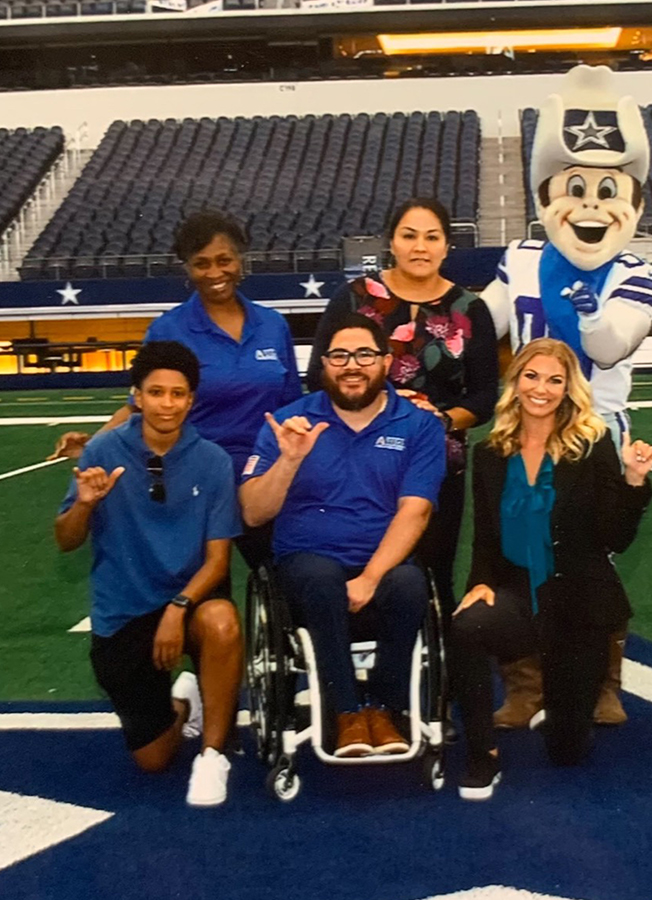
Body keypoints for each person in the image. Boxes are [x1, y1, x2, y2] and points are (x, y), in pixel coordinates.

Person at [481, 67, 652, 730]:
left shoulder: (641, 271)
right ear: (545, 193)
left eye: (607, 189)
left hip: (596, 434)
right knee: (517, 554)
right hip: (524, 428)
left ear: (634, 200)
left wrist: (586, 312)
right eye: (575, 187)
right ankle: (526, 684)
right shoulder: (523, 257)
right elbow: (479, 327)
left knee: (593, 562)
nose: (590, 205)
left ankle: (599, 681)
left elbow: (612, 344)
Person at [451, 339, 652, 799]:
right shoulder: (489, 453)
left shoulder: (592, 444)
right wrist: (480, 585)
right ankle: (481, 755)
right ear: (516, 381)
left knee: (568, 750)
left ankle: (565, 707)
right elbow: (487, 537)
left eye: (555, 380)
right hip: (517, 595)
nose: (542, 389)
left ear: (570, 388)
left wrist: (633, 482)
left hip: (578, 601)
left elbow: (616, 539)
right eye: (532, 376)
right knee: (466, 626)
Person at [240, 313, 446, 758]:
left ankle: (387, 711)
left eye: (365, 355)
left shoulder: (419, 425)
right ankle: (347, 714)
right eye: (339, 355)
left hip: (382, 563)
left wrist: (371, 577)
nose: (352, 365)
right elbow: (254, 513)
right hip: (308, 564)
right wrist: (289, 461)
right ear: (322, 364)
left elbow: (416, 512)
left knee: (409, 585)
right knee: (318, 579)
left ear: (386, 362)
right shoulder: (289, 422)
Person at [49, 210, 303, 570]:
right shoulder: (169, 329)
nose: (215, 273)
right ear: (186, 268)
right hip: (196, 474)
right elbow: (142, 407)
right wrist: (93, 445)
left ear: (241, 260)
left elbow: (293, 405)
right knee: (198, 586)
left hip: (262, 474)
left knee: (288, 572)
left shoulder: (273, 325)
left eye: (224, 260)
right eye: (201, 264)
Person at [54, 341, 244, 806]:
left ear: (190, 400)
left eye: (178, 394)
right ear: (136, 396)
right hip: (125, 610)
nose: (167, 403)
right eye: (155, 392)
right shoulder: (101, 449)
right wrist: (84, 504)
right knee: (154, 760)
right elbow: (66, 539)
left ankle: (213, 756)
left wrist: (178, 609)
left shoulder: (214, 461)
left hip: (189, 601)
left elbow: (219, 559)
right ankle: (183, 701)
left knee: (221, 621)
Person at [306, 198, 498, 624]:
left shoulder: (470, 309)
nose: (420, 247)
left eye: (432, 237)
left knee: (434, 574)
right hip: (358, 460)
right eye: (409, 235)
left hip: (437, 463)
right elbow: (318, 376)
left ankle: (437, 683)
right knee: (360, 568)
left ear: (448, 246)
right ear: (391, 242)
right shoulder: (353, 299)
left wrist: (438, 421)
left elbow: (485, 396)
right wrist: (384, 408)